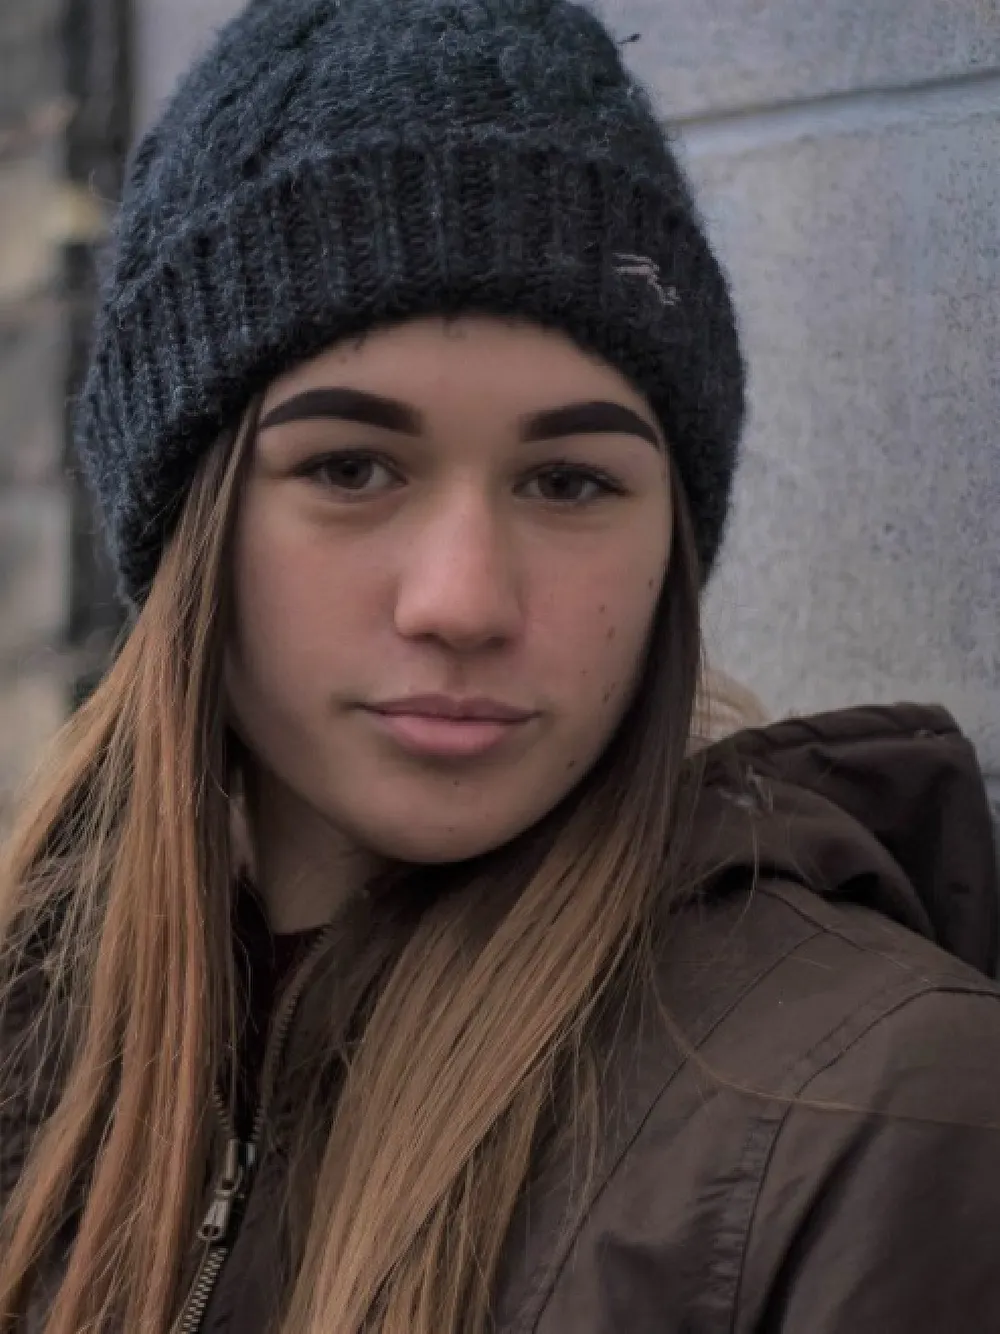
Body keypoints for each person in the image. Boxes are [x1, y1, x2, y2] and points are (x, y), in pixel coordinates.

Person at [2, 1, 999, 1331]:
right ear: (187, 523)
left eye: (570, 479)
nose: (464, 600)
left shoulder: (874, 1118)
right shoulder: (34, 1035)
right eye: (351, 467)